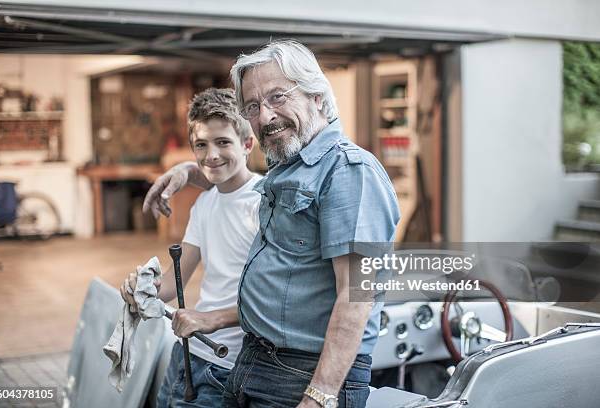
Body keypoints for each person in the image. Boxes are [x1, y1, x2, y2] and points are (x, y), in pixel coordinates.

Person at [143, 40, 400, 408]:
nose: (264, 117)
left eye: (278, 97)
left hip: (302, 376)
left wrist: (319, 397)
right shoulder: (290, 165)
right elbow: (242, 183)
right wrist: (191, 171)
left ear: (316, 95)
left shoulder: (350, 172)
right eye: (252, 106)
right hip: (257, 363)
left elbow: (357, 295)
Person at [120, 88, 262, 407]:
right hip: (186, 355)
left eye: (223, 142)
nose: (211, 155)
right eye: (201, 144)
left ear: (247, 144)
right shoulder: (204, 204)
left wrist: (209, 318)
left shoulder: (264, 202)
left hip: (228, 363)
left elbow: (277, 300)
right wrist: (142, 289)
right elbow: (173, 284)